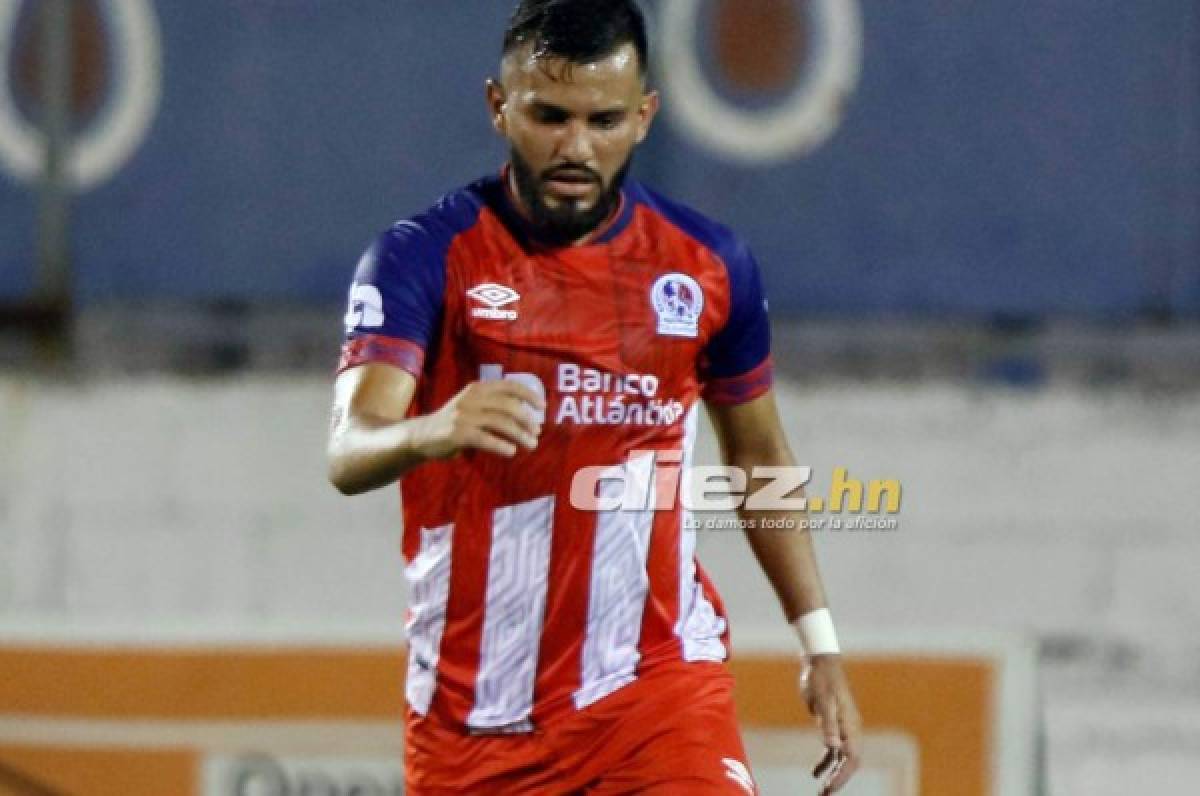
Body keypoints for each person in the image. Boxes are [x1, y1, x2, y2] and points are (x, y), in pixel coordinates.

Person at [327, 1, 861, 793]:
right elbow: (348, 448)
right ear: (498, 105)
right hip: (476, 723)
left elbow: (755, 456)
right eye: (550, 116)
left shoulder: (706, 266)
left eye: (603, 120)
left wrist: (819, 643)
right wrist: (430, 430)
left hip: (655, 693)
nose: (576, 147)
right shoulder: (423, 257)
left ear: (644, 117)